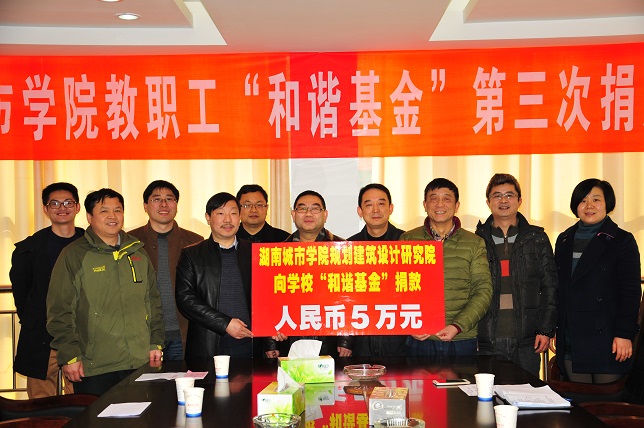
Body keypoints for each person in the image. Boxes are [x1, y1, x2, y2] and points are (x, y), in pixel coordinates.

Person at [47, 188, 164, 396]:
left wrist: (156, 342)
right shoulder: (74, 255)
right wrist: (70, 355)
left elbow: (152, 302)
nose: (112, 216)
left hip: (138, 361)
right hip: (95, 366)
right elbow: (60, 311)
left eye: (117, 210)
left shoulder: (137, 251)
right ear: (89, 217)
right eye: (104, 211)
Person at [552, 178, 641, 383]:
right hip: (572, 335)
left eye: (596, 199)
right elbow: (558, 288)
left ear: (607, 203)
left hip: (609, 336)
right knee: (578, 399)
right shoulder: (564, 239)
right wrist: (555, 327)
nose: (589, 206)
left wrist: (624, 333)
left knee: (606, 400)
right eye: (583, 201)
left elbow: (631, 292)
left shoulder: (622, 240)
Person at [475, 174, 558, 376]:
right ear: (488, 202)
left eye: (509, 195)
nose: (503, 200)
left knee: (526, 392)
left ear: (519, 200)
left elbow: (550, 287)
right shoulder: (477, 240)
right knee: (488, 393)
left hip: (528, 340)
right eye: (497, 195)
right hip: (486, 338)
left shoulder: (537, 239)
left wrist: (545, 330)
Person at [400, 178, 492, 356]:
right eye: (433, 198)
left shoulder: (474, 243)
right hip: (420, 339)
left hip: (461, 338)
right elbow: (398, 289)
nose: (440, 204)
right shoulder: (408, 239)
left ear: (457, 205)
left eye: (447, 199)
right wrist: (411, 324)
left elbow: (483, 290)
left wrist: (457, 326)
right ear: (425, 205)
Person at [10, 182, 84, 398]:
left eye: (68, 202)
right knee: (41, 405)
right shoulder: (28, 249)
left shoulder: (90, 243)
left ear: (78, 207)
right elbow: (22, 294)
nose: (62, 208)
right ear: (45, 209)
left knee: (82, 400)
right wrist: (35, 320)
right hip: (41, 336)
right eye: (55, 203)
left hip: (82, 337)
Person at [129, 180, 204, 360]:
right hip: (142, 337)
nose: (164, 204)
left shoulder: (196, 242)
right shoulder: (129, 242)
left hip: (184, 334)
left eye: (169, 199)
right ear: (145, 206)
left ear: (176, 205)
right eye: (156, 199)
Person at [175, 192, 255, 359]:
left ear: (240, 217)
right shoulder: (192, 254)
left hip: (251, 342)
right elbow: (185, 299)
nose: (228, 220)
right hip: (208, 343)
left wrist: (270, 342)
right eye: (220, 213)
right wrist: (224, 323)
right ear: (208, 217)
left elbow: (267, 296)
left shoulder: (254, 252)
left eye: (233, 213)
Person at [280, 190, 353, 357]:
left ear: (325, 215)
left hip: (331, 337)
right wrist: (271, 341)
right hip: (289, 335)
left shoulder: (343, 249)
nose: (308, 214)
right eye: (302, 208)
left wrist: (346, 340)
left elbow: (351, 296)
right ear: (293, 214)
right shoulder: (279, 252)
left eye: (315, 208)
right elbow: (269, 298)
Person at [348, 183, 406, 357]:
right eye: (369, 204)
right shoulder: (348, 247)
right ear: (360, 211)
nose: (375, 210)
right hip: (361, 337)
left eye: (381, 203)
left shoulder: (408, 243)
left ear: (391, 208)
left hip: (402, 337)